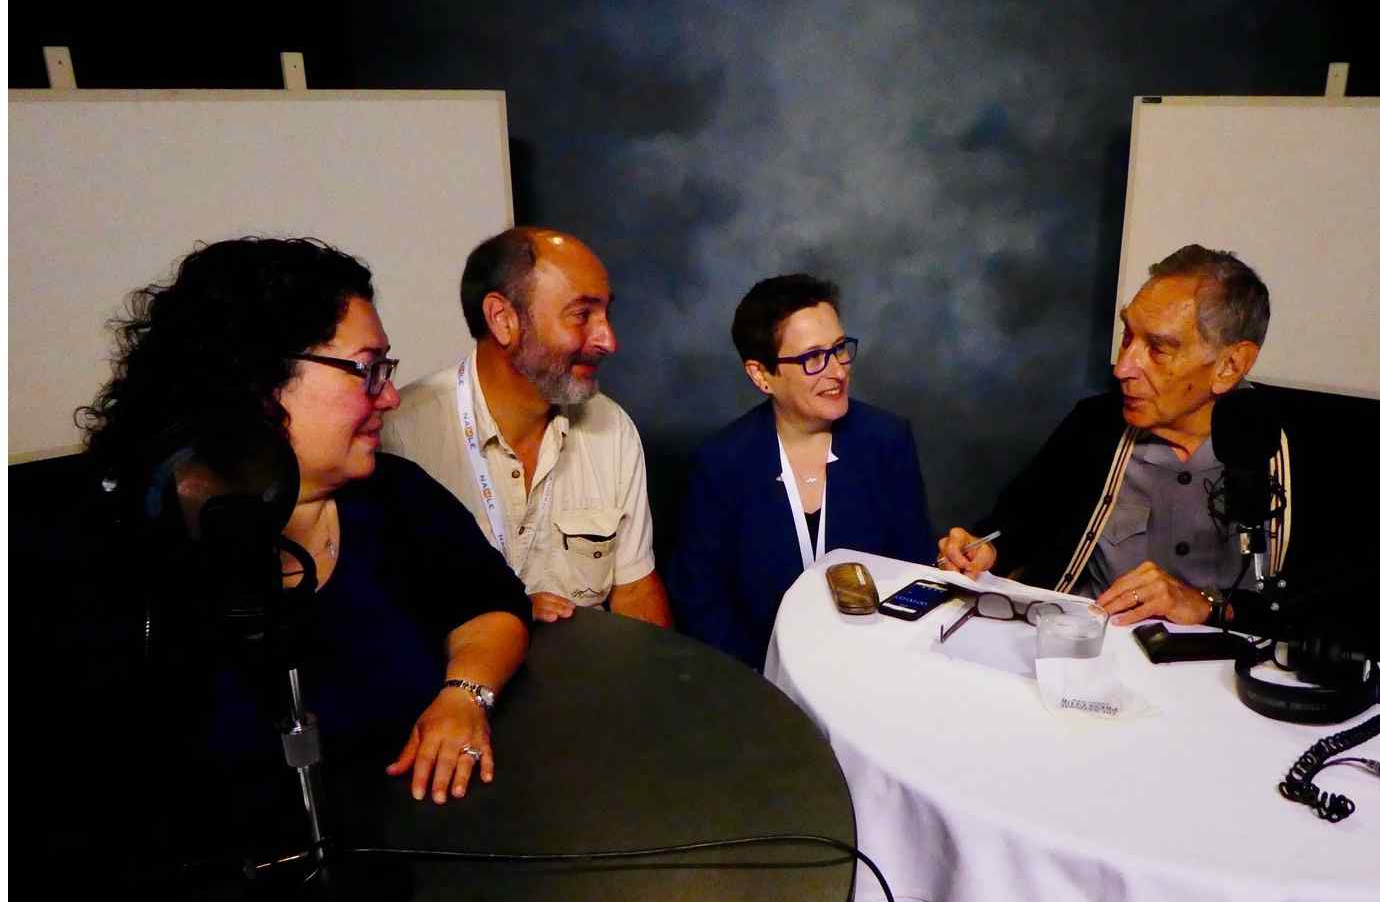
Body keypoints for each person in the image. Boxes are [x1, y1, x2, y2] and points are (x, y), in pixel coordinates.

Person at [76, 238, 533, 803]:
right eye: (367, 370)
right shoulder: (121, 547)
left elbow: (491, 604)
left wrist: (464, 694)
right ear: (258, 379)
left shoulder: (396, 496)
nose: (391, 396)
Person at [938, 244, 1297, 627]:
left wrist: (1208, 606)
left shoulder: (1291, 453)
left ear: (1230, 365)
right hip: (1085, 645)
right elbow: (1014, 528)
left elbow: (1319, 615)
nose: (1123, 368)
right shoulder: (1095, 425)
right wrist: (984, 550)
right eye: (1127, 337)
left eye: (1157, 349)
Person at [382, 227, 673, 627]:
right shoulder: (398, 436)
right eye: (582, 315)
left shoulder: (611, 427)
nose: (608, 340)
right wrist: (503, 608)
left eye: (606, 314)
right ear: (503, 319)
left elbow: (636, 589)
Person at [668, 274, 935, 669]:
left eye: (839, 349)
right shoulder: (721, 464)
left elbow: (915, 566)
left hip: (878, 666)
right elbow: (702, 603)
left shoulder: (886, 441)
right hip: (761, 680)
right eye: (813, 358)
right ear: (761, 375)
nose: (838, 371)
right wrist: (767, 681)